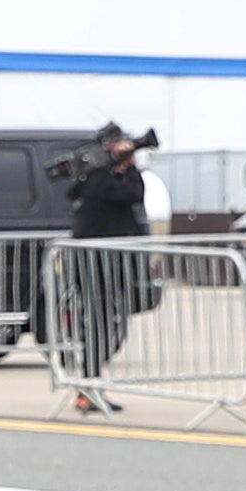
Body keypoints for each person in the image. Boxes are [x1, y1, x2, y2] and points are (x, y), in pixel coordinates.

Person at [55, 124, 156, 414]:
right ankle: (88, 390)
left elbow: (132, 195)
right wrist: (125, 168)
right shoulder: (97, 179)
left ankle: (90, 388)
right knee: (97, 328)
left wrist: (124, 167)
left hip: (107, 264)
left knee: (104, 329)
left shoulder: (103, 177)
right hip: (94, 264)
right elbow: (131, 194)